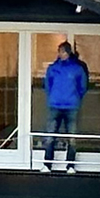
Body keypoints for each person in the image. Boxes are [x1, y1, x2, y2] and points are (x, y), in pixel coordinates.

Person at [41, 40, 89, 170]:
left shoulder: (77, 69)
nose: (60, 54)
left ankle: (70, 165)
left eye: (62, 51)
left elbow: (83, 87)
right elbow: (47, 85)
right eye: (59, 51)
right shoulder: (53, 68)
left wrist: (75, 98)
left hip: (70, 106)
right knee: (50, 136)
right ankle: (47, 164)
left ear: (67, 53)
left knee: (72, 138)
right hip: (56, 105)